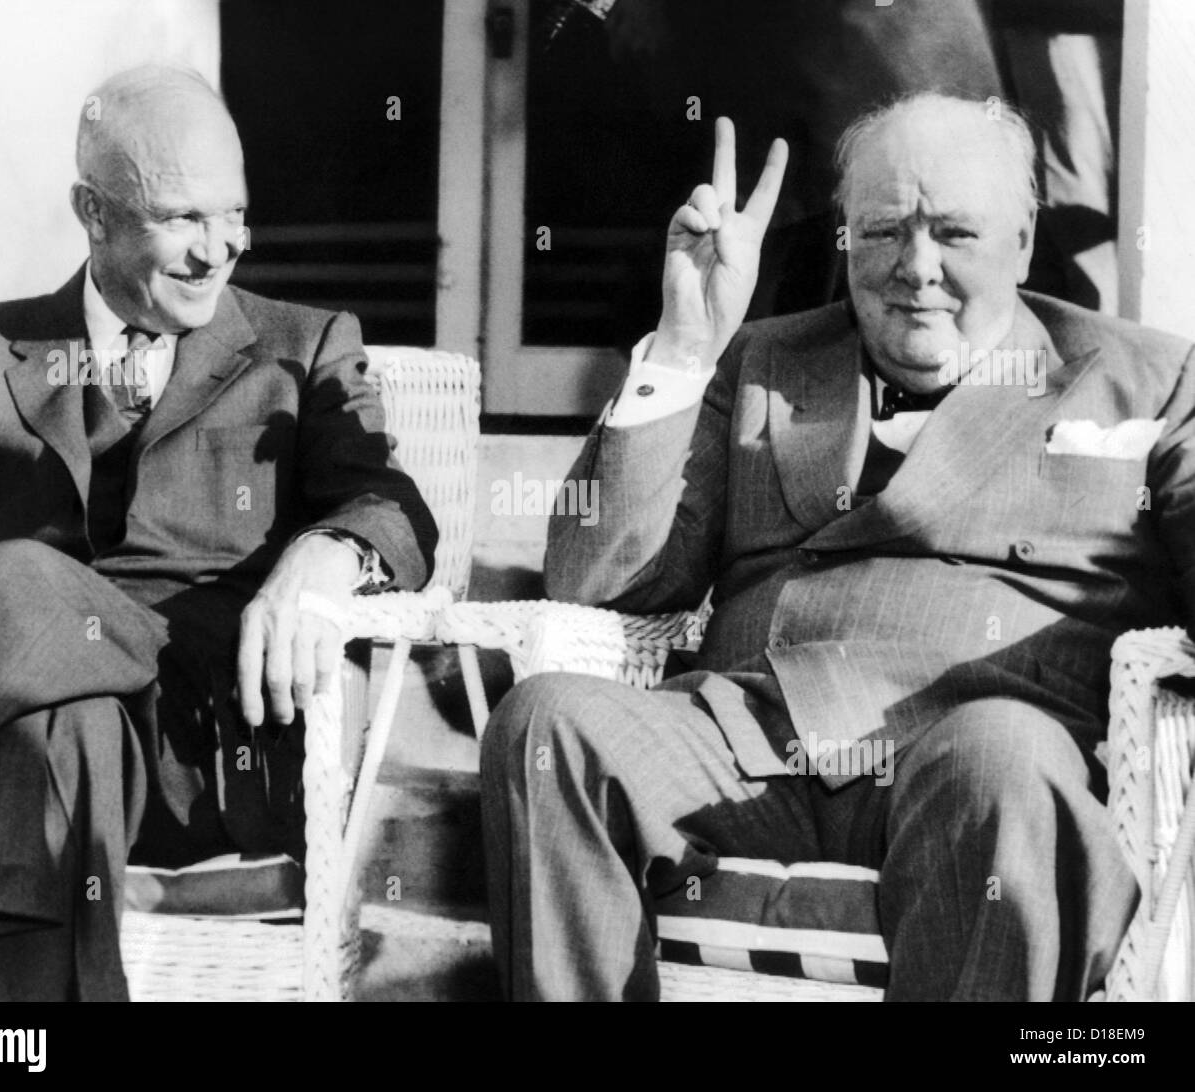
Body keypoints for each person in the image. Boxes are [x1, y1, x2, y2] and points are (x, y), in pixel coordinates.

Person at [480, 92, 1194, 1001]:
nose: (916, 267)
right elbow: (596, 580)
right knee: (548, 724)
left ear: (1022, 241)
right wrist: (684, 345)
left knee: (1001, 759)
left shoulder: (1143, 379)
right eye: (885, 229)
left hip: (971, 764)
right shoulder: (764, 360)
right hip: (748, 747)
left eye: (954, 234)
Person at [0, 64, 437, 1000]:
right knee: (59, 727)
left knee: (7, 581)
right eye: (183, 218)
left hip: (213, 747)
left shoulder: (301, 348)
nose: (219, 249)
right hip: (17, 749)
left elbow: (393, 506)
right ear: (94, 213)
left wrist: (326, 551)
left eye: (234, 214)